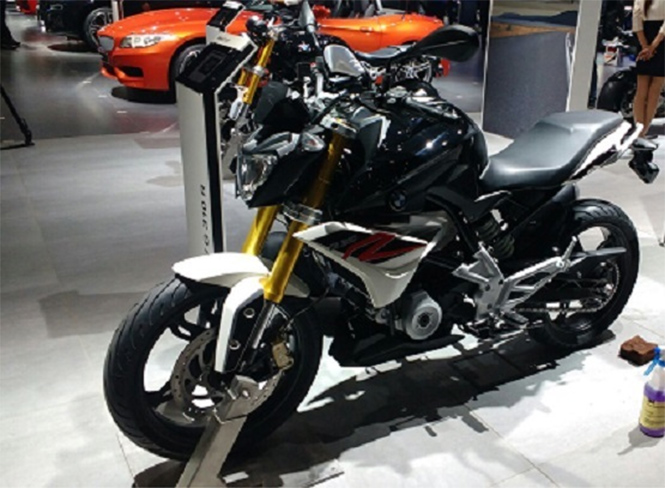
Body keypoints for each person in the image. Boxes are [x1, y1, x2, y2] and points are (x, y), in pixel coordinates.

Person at [633, 0, 664, 137]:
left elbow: (636, 21)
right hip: (661, 41)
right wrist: (652, 47)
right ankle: (644, 131)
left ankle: (639, 132)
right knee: (654, 91)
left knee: (641, 89)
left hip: (644, 38)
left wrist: (645, 46)